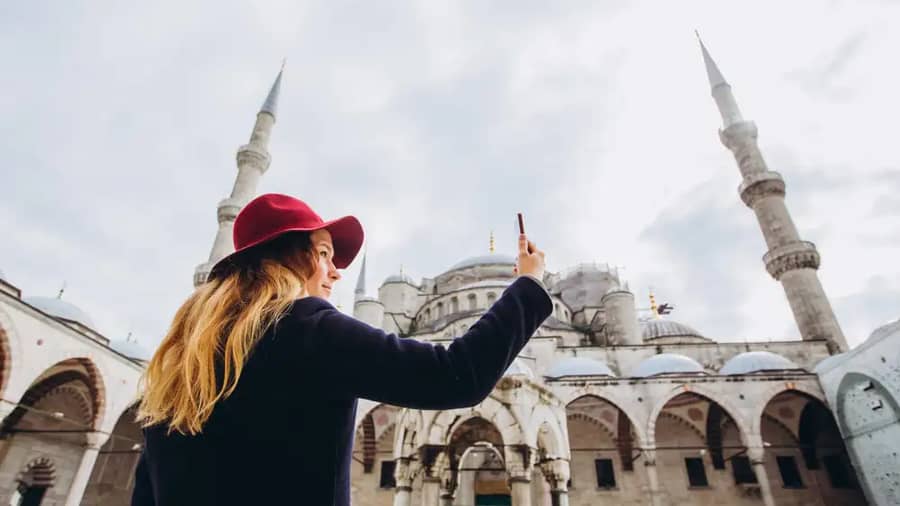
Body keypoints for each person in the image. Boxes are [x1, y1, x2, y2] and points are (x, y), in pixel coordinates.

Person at [133, 193, 552, 506]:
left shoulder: (178, 365)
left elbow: (146, 495)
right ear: (288, 259)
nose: (336, 271)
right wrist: (529, 286)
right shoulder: (306, 328)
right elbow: (455, 374)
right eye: (325, 253)